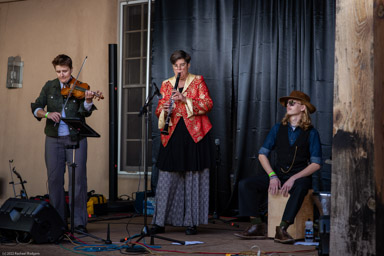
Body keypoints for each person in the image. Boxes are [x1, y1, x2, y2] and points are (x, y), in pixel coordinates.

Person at [234, 90, 322, 244]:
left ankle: (282, 228)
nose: (288, 105)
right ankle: (257, 226)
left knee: (301, 187)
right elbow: (262, 154)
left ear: (303, 107)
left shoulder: (311, 133)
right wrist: (272, 175)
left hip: (299, 176)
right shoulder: (277, 128)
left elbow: (316, 163)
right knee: (245, 185)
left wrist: (294, 178)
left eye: (292, 102)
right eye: (288, 103)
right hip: (279, 174)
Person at [31, 54, 102, 233]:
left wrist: (87, 100)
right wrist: (46, 114)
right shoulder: (50, 86)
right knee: (54, 180)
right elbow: (36, 107)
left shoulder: (81, 87)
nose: (62, 75)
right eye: (59, 72)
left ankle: (78, 224)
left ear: (71, 69)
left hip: (75, 138)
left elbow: (85, 114)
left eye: (65, 71)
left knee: (77, 181)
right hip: (53, 139)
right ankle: (59, 223)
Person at [151, 50, 213, 235]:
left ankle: (191, 222)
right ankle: (160, 221)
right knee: (166, 178)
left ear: (188, 65)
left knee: (193, 177)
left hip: (195, 134)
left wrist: (185, 99)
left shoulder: (198, 81)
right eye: (176, 66)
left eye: (182, 65)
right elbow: (159, 109)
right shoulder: (166, 84)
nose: (179, 69)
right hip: (172, 134)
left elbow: (208, 104)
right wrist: (165, 107)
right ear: (173, 67)